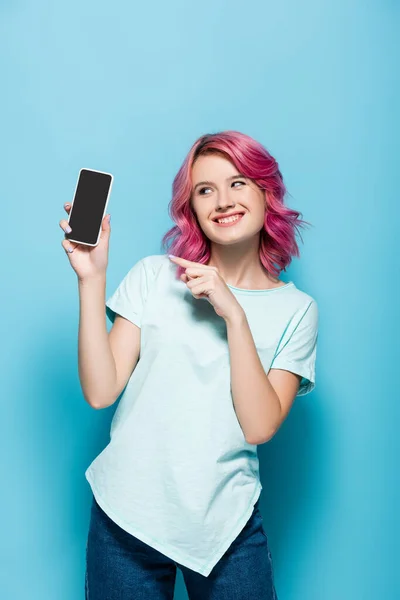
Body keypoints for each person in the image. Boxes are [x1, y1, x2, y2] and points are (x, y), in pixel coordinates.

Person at [60, 130, 319, 599]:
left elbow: (259, 426)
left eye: (238, 182)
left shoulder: (297, 310)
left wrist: (234, 316)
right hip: (126, 519)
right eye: (205, 190)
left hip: (227, 525)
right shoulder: (154, 277)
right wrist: (91, 279)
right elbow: (100, 392)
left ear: (267, 193)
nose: (222, 200)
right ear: (192, 209)